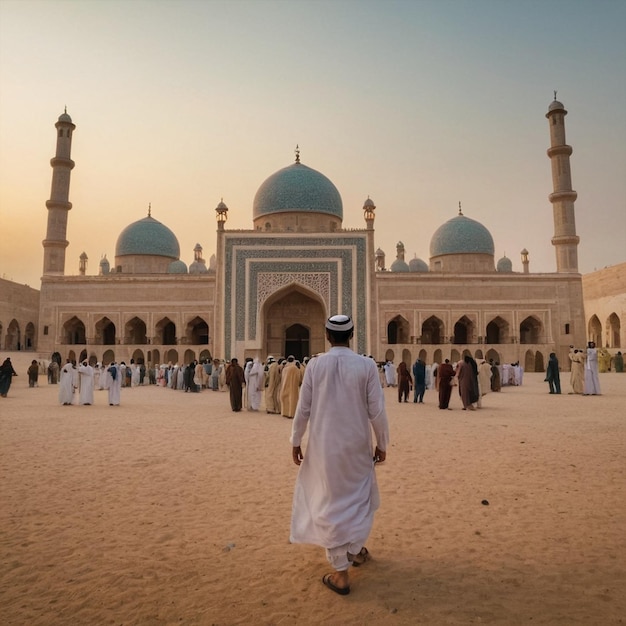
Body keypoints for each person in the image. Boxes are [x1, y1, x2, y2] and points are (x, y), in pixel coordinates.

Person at [290, 314, 389, 596]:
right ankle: (354, 549)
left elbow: (303, 408)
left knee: (329, 500)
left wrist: (296, 440)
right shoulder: (366, 365)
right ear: (352, 334)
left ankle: (341, 571)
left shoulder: (315, 365)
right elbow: (377, 411)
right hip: (357, 447)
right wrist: (382, 443)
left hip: (323, 448)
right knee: (358, 498)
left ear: (327, 335)